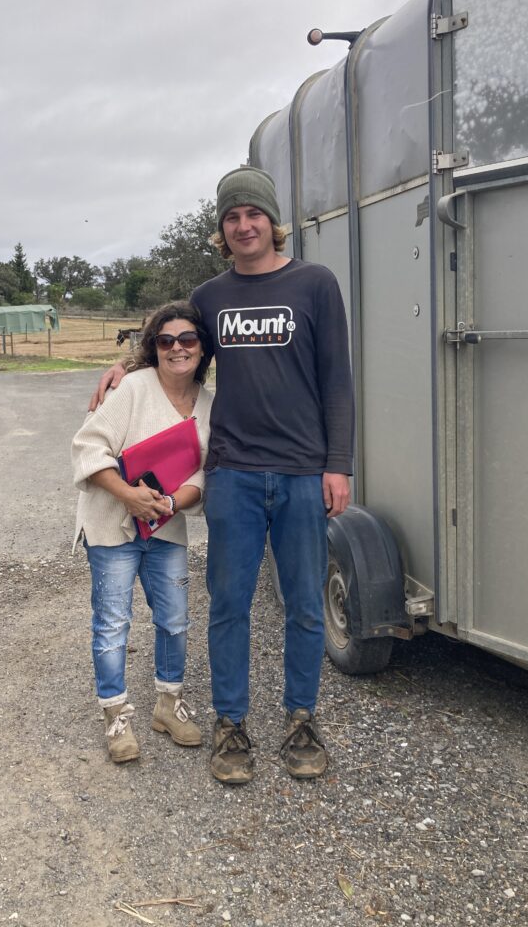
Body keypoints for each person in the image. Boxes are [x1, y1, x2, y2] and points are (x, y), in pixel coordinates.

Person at [91, 167, 354, 784]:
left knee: (305, 606)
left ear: (272, 222)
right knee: (229, 605)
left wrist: (337, 464)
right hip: (231, 472)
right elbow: (172, 342)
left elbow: (337, 380)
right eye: (232, 217)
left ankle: (300, 718)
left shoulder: (315, 284)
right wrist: (121, 366)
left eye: (253, 214)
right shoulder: (211, 297)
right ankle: (230, 725)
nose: (243, 226)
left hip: (299, 472)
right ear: (222, 229)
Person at [72, 302, 213, 764]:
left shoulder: (210, 405)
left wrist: (171, 503)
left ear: (202, 346)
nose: (177, 348)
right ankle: (116, 714)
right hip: (112, 522)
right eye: (166, 340)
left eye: (187, 339)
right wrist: (128, 496)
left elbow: (204, 473)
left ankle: (168, 705)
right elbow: (89, 446)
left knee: (174, 617)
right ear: (154, 346)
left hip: (165, 525)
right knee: (112, 623)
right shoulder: (133, 387)